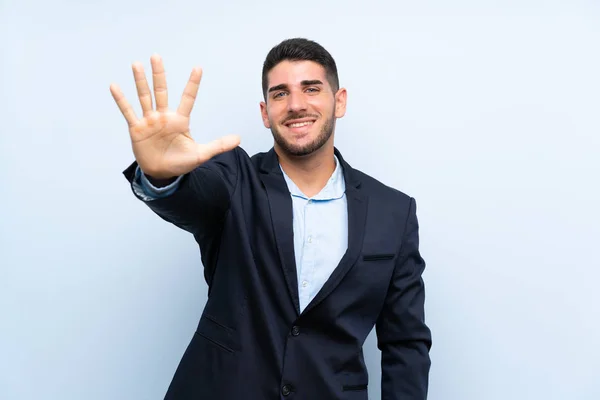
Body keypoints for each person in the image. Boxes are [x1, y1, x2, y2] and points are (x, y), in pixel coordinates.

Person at [110, 38, 432, 400]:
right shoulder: (234, 179)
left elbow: (405, 343)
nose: (296, 105)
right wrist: (161, 175)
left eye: (311, 89)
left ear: (338, 101)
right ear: (265, 112)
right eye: (280, 94)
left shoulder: (393, 211)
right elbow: (191, 197)